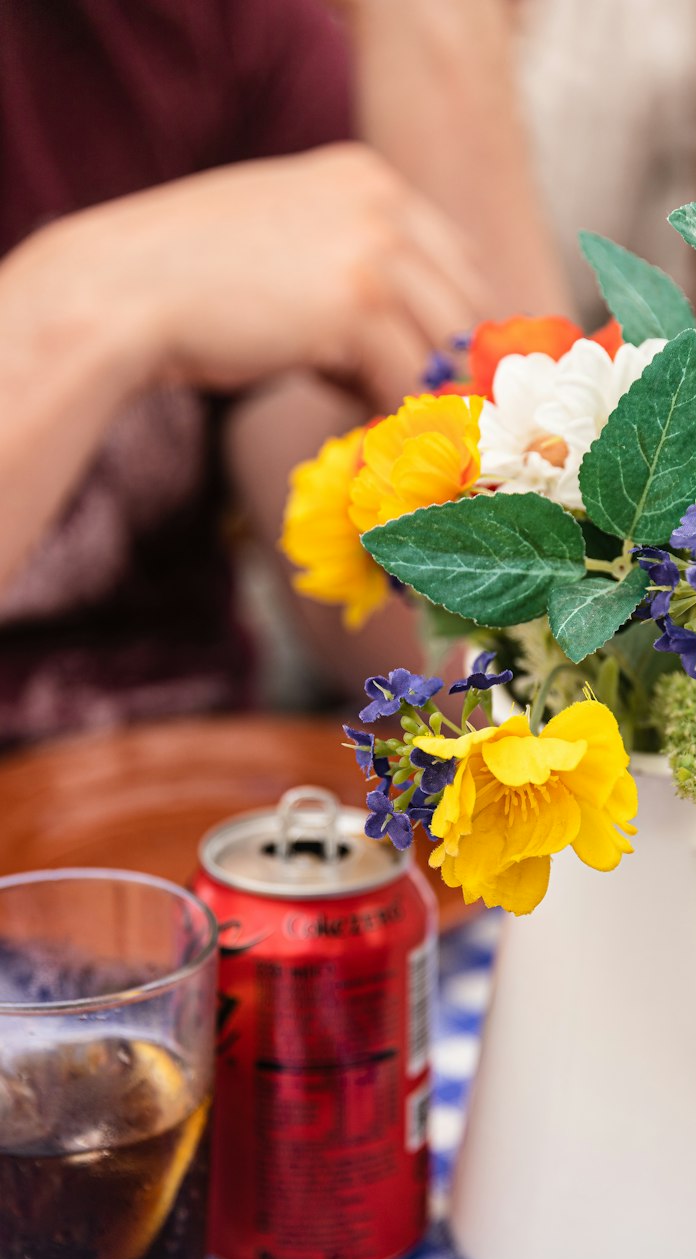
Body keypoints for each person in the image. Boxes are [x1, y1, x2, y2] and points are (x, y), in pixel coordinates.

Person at [0, 0, 569, 744]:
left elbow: (508, 683)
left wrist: (439, 40)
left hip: (179, 801)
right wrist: (98, 297)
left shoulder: (227, 32)